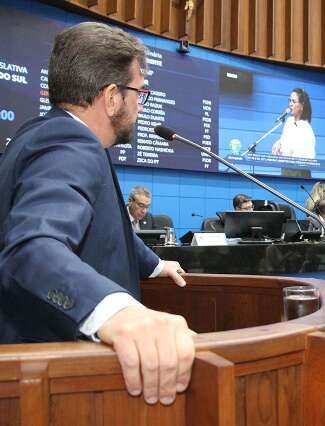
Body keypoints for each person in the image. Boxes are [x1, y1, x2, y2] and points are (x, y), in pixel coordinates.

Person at [0, 22, 194, 406]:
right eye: (140, 92)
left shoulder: (43, 132)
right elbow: (32, 247)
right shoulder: (71, 144)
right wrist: (114, 310)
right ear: (111, 97)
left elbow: (104, 227)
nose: (141, 105)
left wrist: (156, 265)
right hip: (61, 378)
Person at [271, 88, 316, 159]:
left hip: (297, 169)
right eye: (290, 101)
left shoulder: (306, 129)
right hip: (285, 167)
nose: (290, 104)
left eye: (294, 101)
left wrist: (293, 155)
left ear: (302, 105)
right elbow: (284, 139)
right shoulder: (289, 121)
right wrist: (279, 143)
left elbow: (310, 157)